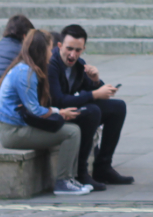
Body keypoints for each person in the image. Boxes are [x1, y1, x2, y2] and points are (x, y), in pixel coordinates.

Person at [0, 29, 92, 195]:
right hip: (11, 132)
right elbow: (35, 110)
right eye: (50, 48)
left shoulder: (27, 68)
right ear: (41, 50)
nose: (51, 52)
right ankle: (63, 182)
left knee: (71, 129)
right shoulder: (26, 72)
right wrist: (59, 112)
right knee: (72, 132)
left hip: (17, 126)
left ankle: (69, 179)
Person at [48, 24, 133, 190]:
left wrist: (95, 81)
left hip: (70, 109)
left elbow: (92, 90)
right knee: (92, 112)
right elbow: (57, 100)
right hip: (55, 114)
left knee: (118, 107)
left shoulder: (79, 65)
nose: (73, 55)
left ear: (83, 48)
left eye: (78, 50)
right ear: (59, 46)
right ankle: (81, 172)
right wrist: (95, 94)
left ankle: (103, 167)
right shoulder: (51, 64)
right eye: (69, 49)